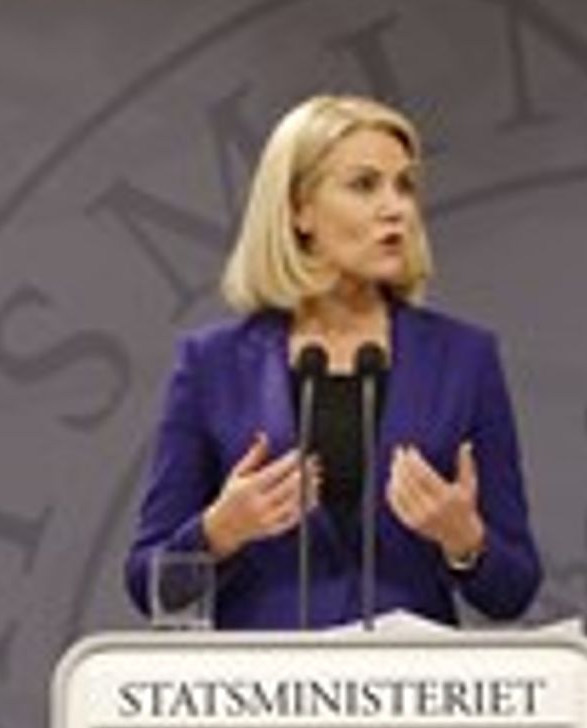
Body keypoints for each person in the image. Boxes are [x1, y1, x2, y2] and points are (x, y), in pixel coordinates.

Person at [125, 94, 541, 629]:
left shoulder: (464, 359)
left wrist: (464, 540)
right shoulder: (211, 365)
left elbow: (514, 590)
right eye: (365, 185)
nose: (396, 208)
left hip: (412, 678)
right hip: (261, 678)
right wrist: (219, 532)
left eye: (404, 185)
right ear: (299, 209)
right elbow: (147, 584)